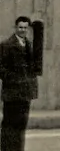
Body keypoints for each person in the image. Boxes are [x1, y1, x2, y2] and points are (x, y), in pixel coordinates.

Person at [0, 16, 39, 151]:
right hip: (12, 93)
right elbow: (1, 68)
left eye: (25, 28)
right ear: (15, 28)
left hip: (25, 93)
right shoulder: (6, 45)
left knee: (21, 126)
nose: (23, 30)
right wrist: (13, 79)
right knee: (10, 126)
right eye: (20, 27)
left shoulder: (28, 44)